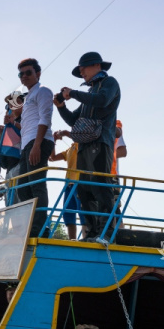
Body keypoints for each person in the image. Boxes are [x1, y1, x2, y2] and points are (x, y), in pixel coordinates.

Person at [54, 52, 121, 241]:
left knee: (100, 187)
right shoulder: (89, 92)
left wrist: (73, 94)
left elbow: (103, 100)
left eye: (84, 67)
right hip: (83, 145)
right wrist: (61, 107)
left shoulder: (109, 83)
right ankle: (92, 233)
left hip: (101, 143)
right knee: (84, 191)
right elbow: (73, 121)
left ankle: (106, 233)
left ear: (97, 66)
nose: (81, 71)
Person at [14, 58, 55, 237]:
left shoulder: (43, 91)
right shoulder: (27, 96)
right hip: (27, 144)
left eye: (28, 72)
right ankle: (31, 225)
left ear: (38, 73)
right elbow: (27, 125)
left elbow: (45, 119)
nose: (24, 76)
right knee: (23, 187)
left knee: (37, 185)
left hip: (39, 142)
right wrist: (14, 120)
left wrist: (37, 145)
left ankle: (40, 228)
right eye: (21, 74)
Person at [50, 131, 85, 239]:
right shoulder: (70, 149)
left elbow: (79, 139)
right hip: (69, 185)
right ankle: (72, 240)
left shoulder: (83, 144)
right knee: (68, 214)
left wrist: (65, 133)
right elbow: (52, 158)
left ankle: (86, 238)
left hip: (79, 182)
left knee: (83, 213)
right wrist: (53, 140)